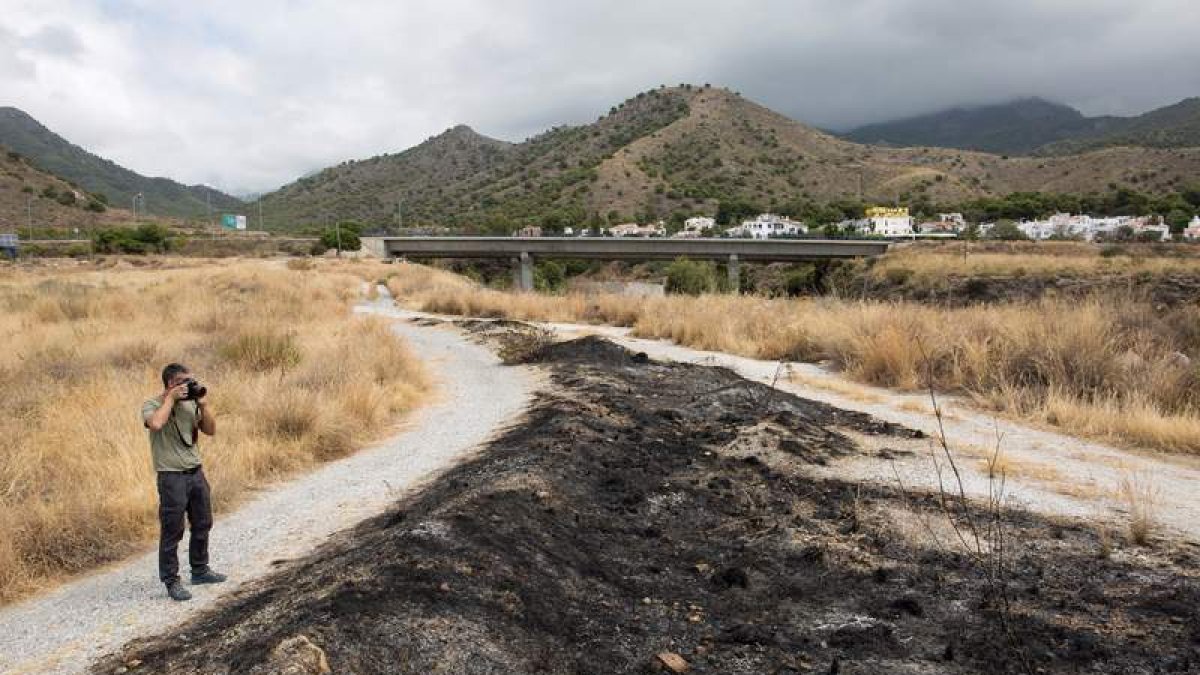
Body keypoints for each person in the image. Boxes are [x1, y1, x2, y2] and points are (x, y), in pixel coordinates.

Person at [142, 363, 225, 601]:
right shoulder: (152, 405)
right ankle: (171, 580)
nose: (189, 384)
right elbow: (156, 424)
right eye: (184, 381)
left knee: (203, 521)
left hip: (195, 472)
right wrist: (170, 400)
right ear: (171, 384)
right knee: (173, 529)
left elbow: (210, 430)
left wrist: (203, 406)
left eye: (191, 380)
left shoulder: (191, 404)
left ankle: (200, 569)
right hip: (171, 476)